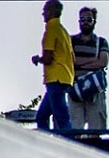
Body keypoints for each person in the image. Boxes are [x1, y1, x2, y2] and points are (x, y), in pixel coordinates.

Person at [30, 0, 75, 131]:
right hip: (66, 77)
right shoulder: (64, 32)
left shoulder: (51, 30)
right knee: (42, 116)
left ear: (52, 11)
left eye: (45, 9)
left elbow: (48, 58)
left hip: (55, 78)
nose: (43, 13)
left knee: (61, 116)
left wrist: (38, 59)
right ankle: (45, 141)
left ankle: (70, 144)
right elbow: (73, 57)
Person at [68, 7, 109, 130]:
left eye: (89, 19)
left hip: (95, 90)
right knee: (75, 128)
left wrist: (79, 64)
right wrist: (92, 61)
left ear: (94, 22)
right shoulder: (71, 40)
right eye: (82, 19)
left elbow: (103, 62)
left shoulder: (101, 42)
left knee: (96, 127)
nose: (85, 22)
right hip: (75, 89)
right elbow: (69, 60)